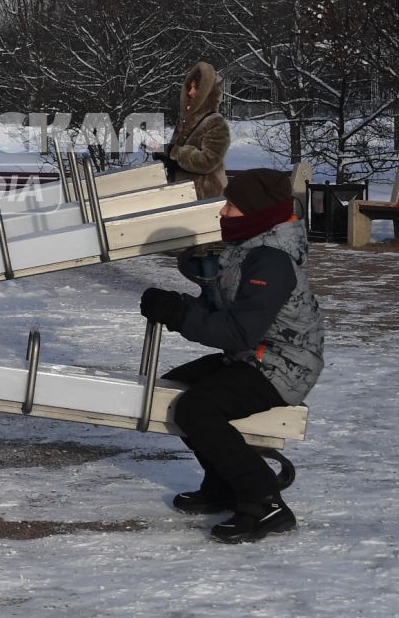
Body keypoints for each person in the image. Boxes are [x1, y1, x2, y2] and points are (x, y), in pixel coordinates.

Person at [138, 168, 325, 543]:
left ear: (257, 214)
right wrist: (181, 302)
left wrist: (179, 314)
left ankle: (263, 500)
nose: (223, 213)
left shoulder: (270, 259)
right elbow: (231, 317)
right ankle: (224, 485)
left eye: (233, 206)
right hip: (255, 355)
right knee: (175, 391)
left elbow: (239, 330)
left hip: (284, 365)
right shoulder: (250, 247)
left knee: (197, 409)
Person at [162, 61, 230, 200]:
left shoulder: (215, 122)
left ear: (206, 92)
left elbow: (208, 161)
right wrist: (164, 154)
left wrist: (174, 152)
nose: (191, 93)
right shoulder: (185, 121)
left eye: (196, 88)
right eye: (190, 87)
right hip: (183, 194)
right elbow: (176, 154)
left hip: (205, 196)